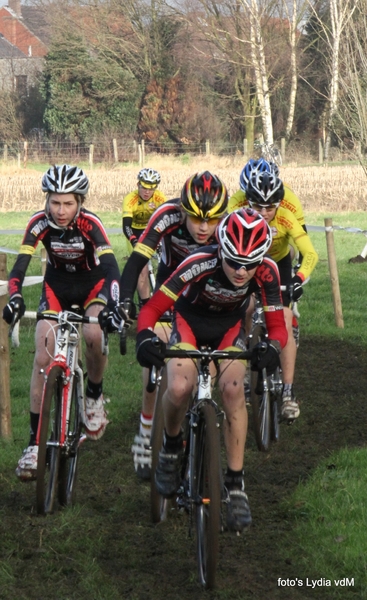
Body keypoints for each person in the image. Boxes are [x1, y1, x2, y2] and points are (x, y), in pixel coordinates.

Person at [135, 208, 288, 532]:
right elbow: (152, 309)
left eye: (249, 264)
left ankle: (235, 485)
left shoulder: (268, 271)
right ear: (221, 250)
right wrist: (145, 337)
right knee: (178, 387)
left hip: (228, 329)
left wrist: (272, 348)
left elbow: (277, 326)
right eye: (233, 262)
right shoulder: (197, 262)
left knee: (233, 390)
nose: (241, 272)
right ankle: (171, 448)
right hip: (189, 323)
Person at [2, 164, 125, 481]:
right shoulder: (38, 223)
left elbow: (111, 267)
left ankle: (94, 395)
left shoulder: (90, 223)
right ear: (47, 200)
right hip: (56, 287)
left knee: (94, 332)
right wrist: (15, 296)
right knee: (43, 356)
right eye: (54, 202)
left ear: (80, 202)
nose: (60, 210)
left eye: (68, 203)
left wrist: (114, 303)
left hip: (93, 287)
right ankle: (33, 444)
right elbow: (19, 266)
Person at [119, 171, 228, 480]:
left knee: (210, 366)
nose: (205, 227)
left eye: (212, 220)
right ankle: (145, 426)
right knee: (156, 350)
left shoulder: (228, 226)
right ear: (182, 209)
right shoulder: (166, 215)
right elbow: (138, 260)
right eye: (196, 218)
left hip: (208, 299)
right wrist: (126, 299)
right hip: (170, 290)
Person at [245, 170, 318, 421]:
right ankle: (244, 368)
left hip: (280, 268)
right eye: (258, 206)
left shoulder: (286, 218)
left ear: (278, 204)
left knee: (285, 318)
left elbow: (309, 253)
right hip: (251, 267)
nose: (264, 213)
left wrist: (299, 279)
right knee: (244, 310)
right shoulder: (241, 217)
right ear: (249, 203)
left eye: (270, 207)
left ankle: (288, 392)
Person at [122, 168, 167, 307]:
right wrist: (134, 241)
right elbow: (126, 226)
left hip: (152, 230)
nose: (147, 192)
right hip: (134, 231)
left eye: (151, 189)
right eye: (144, 188)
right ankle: (145, 303)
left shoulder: (160, 198)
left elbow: (165, 221)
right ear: (138, 185)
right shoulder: (131, 199)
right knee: (141, 269)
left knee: (165, 261)